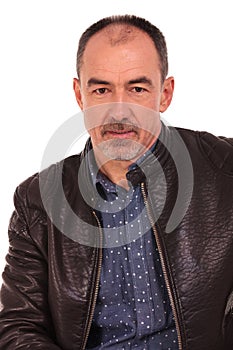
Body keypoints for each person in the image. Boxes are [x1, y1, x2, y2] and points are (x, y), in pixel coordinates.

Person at [0, 14, 233, 350]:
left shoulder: (225, 171)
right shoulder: (37, 200)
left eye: (137, 88)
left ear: (164, 94)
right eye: (101, 89)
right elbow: (18, 327)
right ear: (80, 95)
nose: (118, 111)